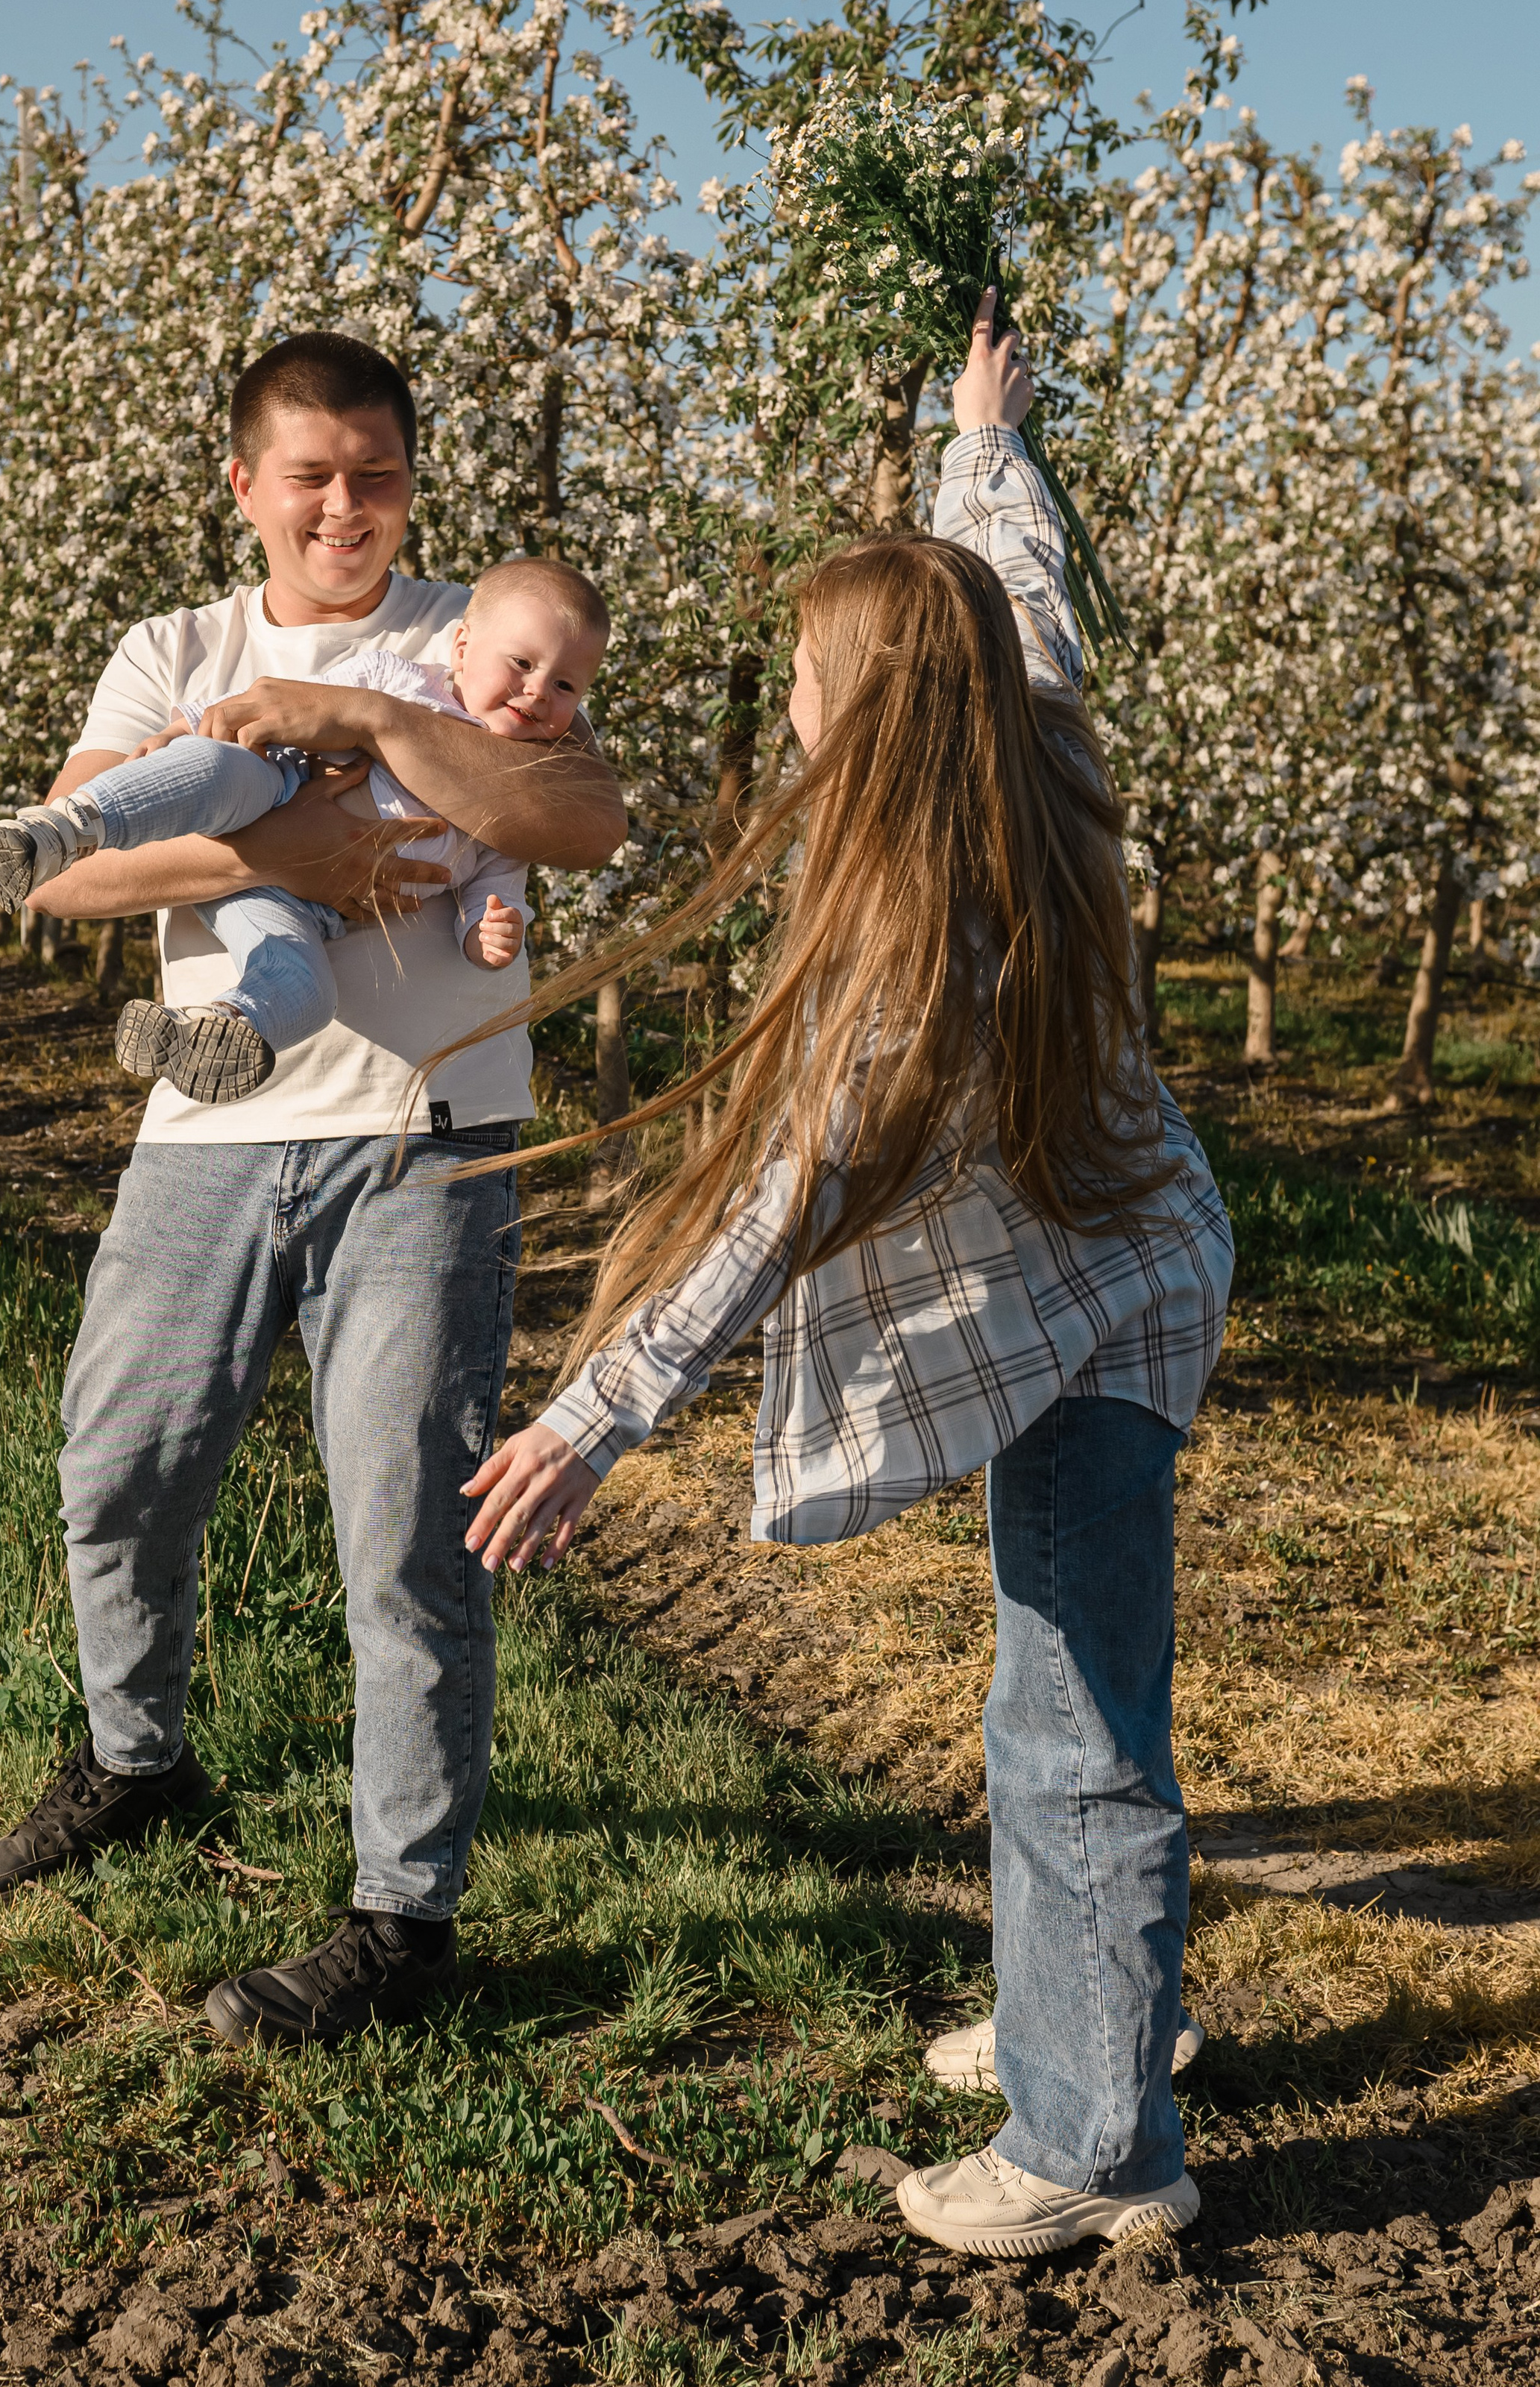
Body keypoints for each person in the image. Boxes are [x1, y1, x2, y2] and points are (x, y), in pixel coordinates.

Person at [459, 294, 1234, 2256]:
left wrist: (590, 1413)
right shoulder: (1031, 747)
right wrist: (984, 442)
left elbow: (761, 1212)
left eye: (810, 681)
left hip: (1104, 1310)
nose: (786, 707)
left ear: (877, 714)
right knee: (1065, 1698)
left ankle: (1097, 2150)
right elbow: (1020, 595)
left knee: (1072, 1722)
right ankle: (1099, 2026)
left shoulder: (909, 955)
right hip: (1114, 1280)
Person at [0, 332, 627, 2053]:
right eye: (312, 473)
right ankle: (136, 1758)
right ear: (245, 483)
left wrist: (371, 720)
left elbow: (577, 811)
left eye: (378, 472)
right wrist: (281, 859)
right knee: (119, 1464)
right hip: (205, 1132)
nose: (347, 505)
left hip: (419, 1134)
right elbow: (69, 863)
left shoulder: (484, 633)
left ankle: (401, 1919)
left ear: (413, 480)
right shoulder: (174, 650)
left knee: (402, 1529)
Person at [0, 556, 609, 1104]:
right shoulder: (398, 679)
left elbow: (502, 886)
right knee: (216, 765)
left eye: (566, 685)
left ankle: (211, 1029)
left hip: (306, 915)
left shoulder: (526, 781)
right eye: (521, 664)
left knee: (305, 988)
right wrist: (181, 729)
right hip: (281, 783)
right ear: (462, 647)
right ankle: (65, 827)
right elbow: (279, 705)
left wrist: (487, 932)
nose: (537, 692)